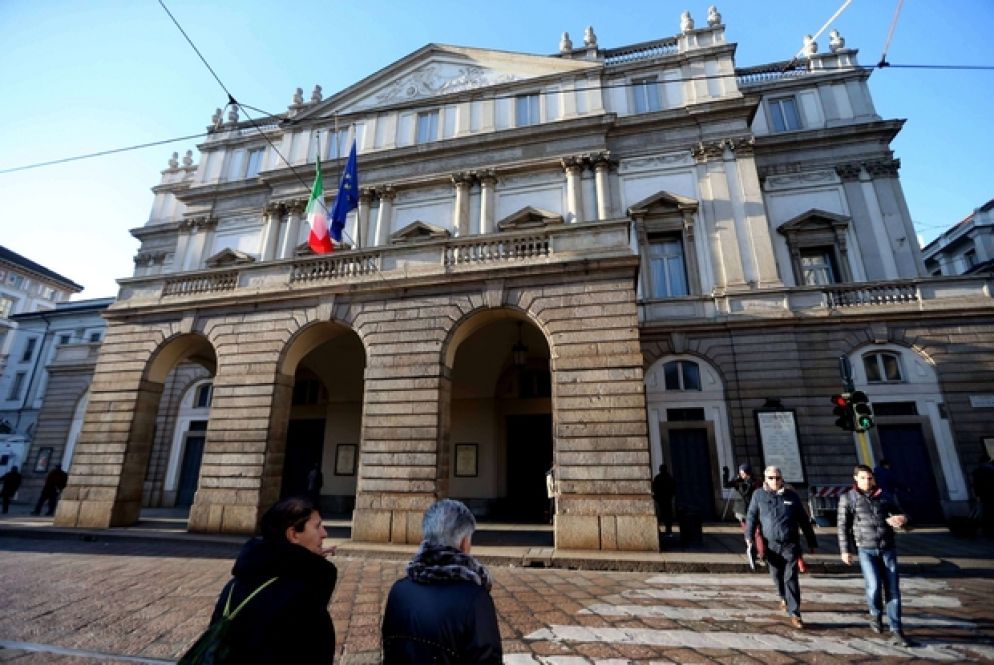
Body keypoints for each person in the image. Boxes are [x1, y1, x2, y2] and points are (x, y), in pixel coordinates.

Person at [205, 497, 337, 664]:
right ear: (293, 534)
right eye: (317, 526)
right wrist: (314, 566)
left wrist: (305, 557)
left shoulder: (235, 584)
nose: (324, 533)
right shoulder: (301, 593)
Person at [382, 498, 502, 664]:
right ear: (464, 543)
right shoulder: (476, 599)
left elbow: (390, 652)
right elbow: (487, 659)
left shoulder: (398, 591)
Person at [838, 464, 915, 647]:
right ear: (856, 478)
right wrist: (845, 550)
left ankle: (896, 629)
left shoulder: (884, 495)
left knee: (893, 589)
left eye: (870, 478)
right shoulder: (848, 498)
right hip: (866, 548)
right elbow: (842, 526)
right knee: (873, 586)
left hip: (887, 547)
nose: (867, 481)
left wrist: (903, 519)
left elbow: (903, 514)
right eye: (863, 478)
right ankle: (875, 614)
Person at [745, 465, 817, 630]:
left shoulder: (791, 496)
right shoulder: (758, 495)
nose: (775, 481)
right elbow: (751, 517)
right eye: (771, 478)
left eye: (777, 478)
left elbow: (803, 520)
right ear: (765, 479)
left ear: (782, 478)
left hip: (790, 544)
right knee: (776, 575)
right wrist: (749, 537)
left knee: (791, 578)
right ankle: (782, 596)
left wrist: (811, 542)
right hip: (770, 545)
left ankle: (795, 613)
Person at [724, 463, 764, 559]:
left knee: (756, 532)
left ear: (747, 473)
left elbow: (745, 493)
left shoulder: (753, 482)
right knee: (749, 532)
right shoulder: (741, 481)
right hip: (742, 511)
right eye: (740, 472)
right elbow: (726, 485)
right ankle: (753, 551)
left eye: (742, 473)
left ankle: (761, 552)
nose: (740, 475)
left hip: (752, 510)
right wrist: (726, 474)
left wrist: (739, 484)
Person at [651, 463, 675, 536]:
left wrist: (656, 497)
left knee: (661, 515)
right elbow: (673, 488)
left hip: (661, 500)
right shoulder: (669, 478)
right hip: (666, 499)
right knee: (668, 515)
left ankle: (663, 530)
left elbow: (654, 488)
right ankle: (668, 530)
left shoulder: (658, 478)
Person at [974, 456, 994, 536]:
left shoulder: (977, 470)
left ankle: (986, 529)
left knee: (986, 511)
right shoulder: (991, 469)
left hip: (984, 494)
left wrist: (977, 495)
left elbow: (976, 484)